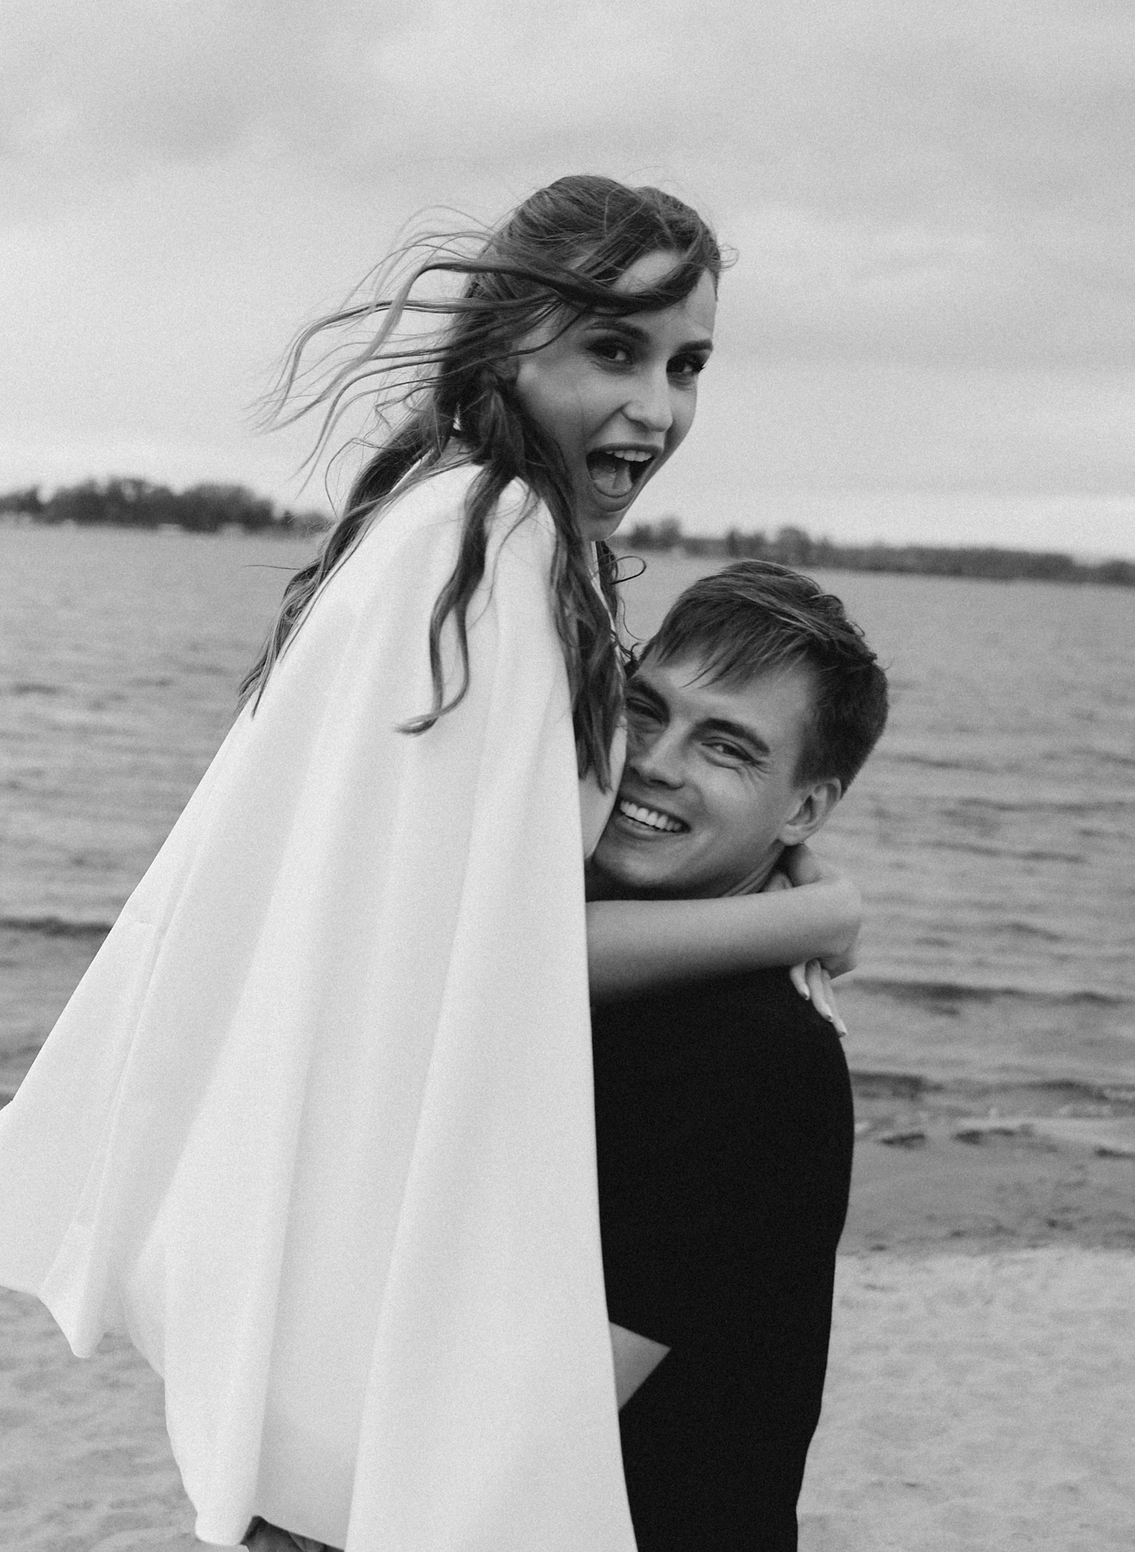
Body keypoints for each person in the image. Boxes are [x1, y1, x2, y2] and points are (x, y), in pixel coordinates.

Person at [0, 179, 857, 1552]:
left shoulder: (474, 528)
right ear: (511, 339)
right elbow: (498, 957)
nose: (656, 408)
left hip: (356, 1294)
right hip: (376, 1351)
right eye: (616, 350)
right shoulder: (495, 543)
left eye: (687, 364)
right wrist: (810, 913)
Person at [588, 560, 889, 1550]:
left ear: (804, 812)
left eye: (726, 747)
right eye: (645, 710)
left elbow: (553, 1411)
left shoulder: (752, 1058)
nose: (655, 761)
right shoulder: (580, 960)